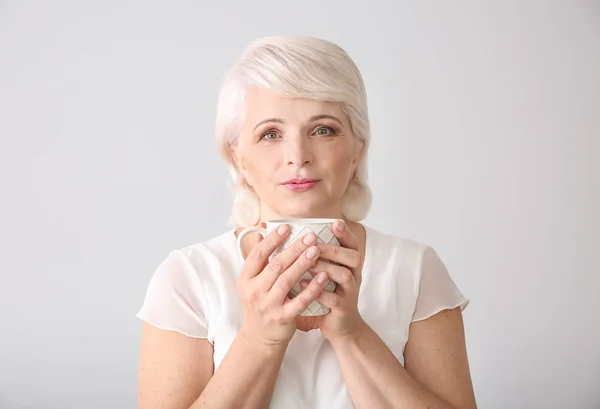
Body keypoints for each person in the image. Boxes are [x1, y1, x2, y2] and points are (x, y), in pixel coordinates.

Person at [136, 36, 478, 409]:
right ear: (239, 159)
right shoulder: (187, 277)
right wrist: (258, 339)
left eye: (323, 129)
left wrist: (350, 333)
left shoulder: (415, 270)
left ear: (357, 149)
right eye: (270, 134)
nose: (298, 156)